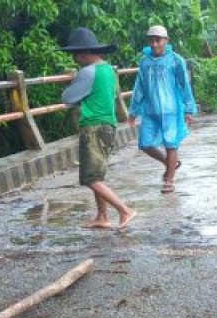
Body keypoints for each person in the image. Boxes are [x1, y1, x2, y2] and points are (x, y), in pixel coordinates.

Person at [60, 27, 135, 229]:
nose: (75, 58)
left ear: (84, 53)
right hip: (108, 126)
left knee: (90, 178)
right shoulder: (108, 70)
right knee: (97, 174)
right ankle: (102, 216)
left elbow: (67, 99)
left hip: (93, 126)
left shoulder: (88, 72)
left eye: (75, 53)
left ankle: (125, 210)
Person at [127, 25, 198, 194]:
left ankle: (169, 179)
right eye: (151, 40)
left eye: (157, 40)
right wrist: (133, 112)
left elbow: (184, 85)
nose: (154, 43)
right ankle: (170, 162)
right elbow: (140, 88)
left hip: (171, 110)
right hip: (151, 110)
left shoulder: (176, 60)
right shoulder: (144, 62)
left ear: (166, 40)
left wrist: (189, 109)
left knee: (170, 144)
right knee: (145, 143)